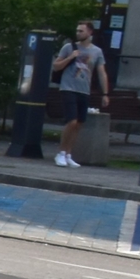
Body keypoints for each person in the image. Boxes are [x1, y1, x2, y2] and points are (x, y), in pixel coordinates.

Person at [53, 20, 109, 168]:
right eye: (77, 31)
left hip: (84, 89)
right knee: (71, 121)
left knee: (79, 124)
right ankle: (60, 153)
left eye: (81, 31)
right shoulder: (69, 47)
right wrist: (70, 57)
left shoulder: (96, 52)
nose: (78, 33)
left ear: (90, 32)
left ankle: (68, 153)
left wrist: (105, 93)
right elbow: (56, 66)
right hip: (68, 87)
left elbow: (101, 72)